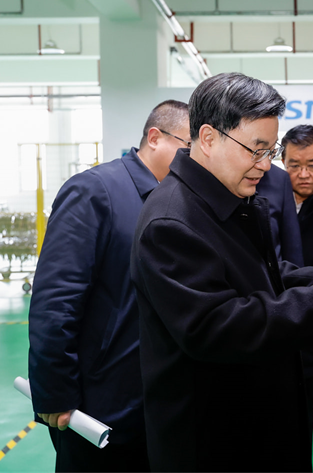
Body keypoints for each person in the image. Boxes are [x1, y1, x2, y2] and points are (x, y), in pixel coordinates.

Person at [130, 72, 313, 472]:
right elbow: (220, 325)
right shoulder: (172, 221)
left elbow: (262, 277)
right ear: (208, 138)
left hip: (252, 421)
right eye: (255, 150)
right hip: (215, 440)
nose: (266, 166)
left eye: (269, 151)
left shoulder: (222, 199)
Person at [27, 100, 190, 473]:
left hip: (156, 399)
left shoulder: (176, 199)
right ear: (155, 137)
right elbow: (56, 299)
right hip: (98, 403)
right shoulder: (95, 191)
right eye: (188, 147)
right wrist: (55, 393)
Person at [280, 124, 313, 429]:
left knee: (303, 419)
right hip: (271, 327)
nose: (303, 174)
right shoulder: (264, 198)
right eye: (294, 165)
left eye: (312, 165)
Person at [255, 163, 304, 266]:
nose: (265, 164)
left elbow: (291, 243)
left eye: (271, 155)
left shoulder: (278, 178)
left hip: (273, 272)